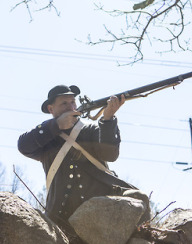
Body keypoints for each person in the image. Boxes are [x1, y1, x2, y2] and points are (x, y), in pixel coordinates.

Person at [18, 84, 148, 232]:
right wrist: (56, 125)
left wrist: (108, 119)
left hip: (103, 205)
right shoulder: (45, 137)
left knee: (138, 198)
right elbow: (23, 146)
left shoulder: (89, 129)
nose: (71, 107)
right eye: (64, 103)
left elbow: (110, 154)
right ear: (51, 109)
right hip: (61, 215)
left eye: (73, 102)